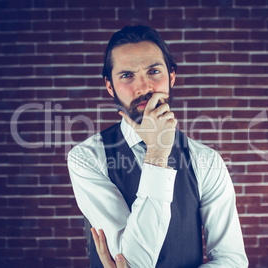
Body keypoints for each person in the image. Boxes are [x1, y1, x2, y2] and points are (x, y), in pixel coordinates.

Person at [68, 25, 248, 267]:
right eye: (127, 75)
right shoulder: (86, 157)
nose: (144, 87)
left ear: (171, 76)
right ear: (109, 86)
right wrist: (157, 154)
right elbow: (133, 262)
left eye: (153, 71)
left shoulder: (207, 160)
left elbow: (232, 261)